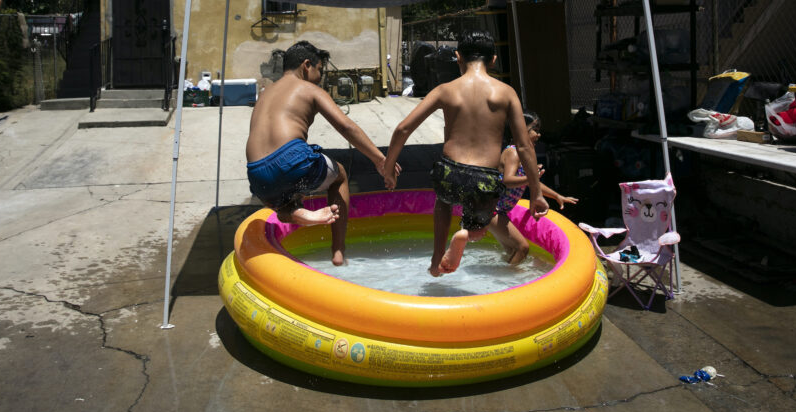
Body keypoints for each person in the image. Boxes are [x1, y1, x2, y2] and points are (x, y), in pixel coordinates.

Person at [382, 30, 548, 276]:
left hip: (450, 171)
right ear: (493, 60)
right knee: (481, 227)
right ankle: (467, 233)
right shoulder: (505, 92)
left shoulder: (445, 90)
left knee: (444, 200)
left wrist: (388, 168)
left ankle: (436, 259)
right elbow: (524, 147)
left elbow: (403, 128)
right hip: (485, 178)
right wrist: (536, 193)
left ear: (458, 57)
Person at [246, 40, 396, 266]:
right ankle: (338, 250)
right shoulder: (309, 89)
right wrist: (380, 159)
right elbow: (346, 127)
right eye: (320, 70)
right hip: (291, 158)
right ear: (306, 65)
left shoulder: (266, 93)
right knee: (341, 175)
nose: (321, 77)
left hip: (256, 174)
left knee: (282, 200)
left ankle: (295, 213)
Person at [502, 112, 579, 211]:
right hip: (495, 211)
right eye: (535, 130)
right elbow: (507, 181)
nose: (539, 134)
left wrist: (556, 196)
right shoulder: (513, 152)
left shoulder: (522, 155)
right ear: (520, 131)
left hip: (504, 211)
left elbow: (534, 184)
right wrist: (531, 177)